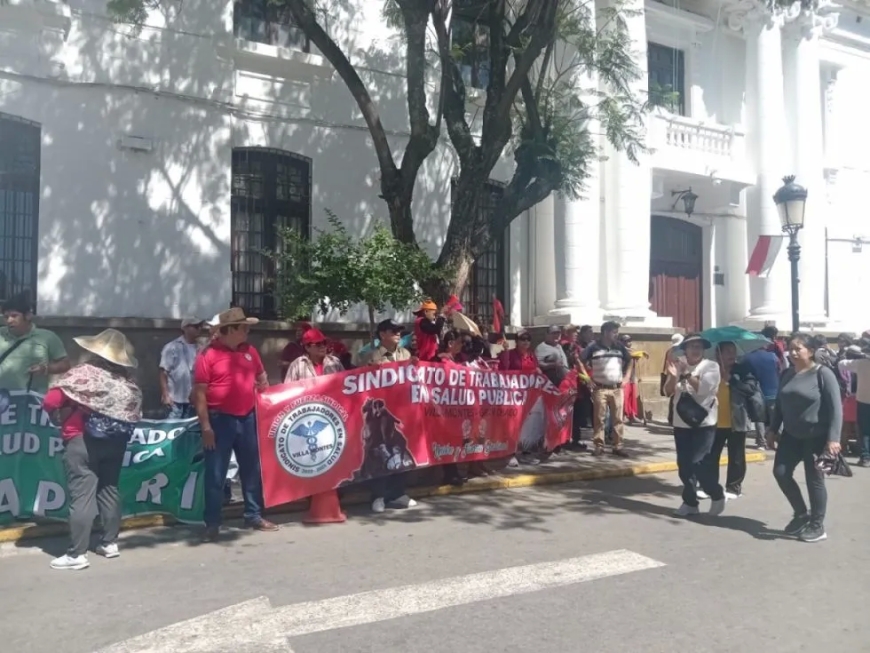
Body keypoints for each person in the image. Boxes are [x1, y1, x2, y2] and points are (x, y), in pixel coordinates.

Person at [41, 329, 142, 570]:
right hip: (116, 443)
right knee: (109, 490)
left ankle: (77, 554)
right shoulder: (128, 383)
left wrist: (60, 415)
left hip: (81, 440)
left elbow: (50, 402)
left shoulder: (83, 374)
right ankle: (109, 543)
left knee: (82, 495)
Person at [194, 307, 279, 541]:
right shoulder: (207, 356)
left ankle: (253, 514)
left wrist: (262, 386)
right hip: (219, 419)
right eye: (243, 327)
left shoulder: (250, 352)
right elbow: (199, 394)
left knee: (251, 469)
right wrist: (206, 427)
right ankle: (212, 522)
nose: (247, 331)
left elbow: (262, 378)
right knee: (216, 473)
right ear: (228, 330)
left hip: (248, 417)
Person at [768, 333, 843, 542]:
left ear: (810, 352)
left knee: (814, 480)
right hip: (791, 435)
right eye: (790, 348)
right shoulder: (787, 374)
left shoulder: (823, 373)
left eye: (798, 348)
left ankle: (818, 525)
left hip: (816, 437)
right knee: (781, 472)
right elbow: (780, 403)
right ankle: (801, 514)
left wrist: (834, 438)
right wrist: (773, 429)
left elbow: (836, 409)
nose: (792, 352)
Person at [663, 333, 726, 517]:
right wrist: (674, 377)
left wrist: (686, 373)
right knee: (684, 465)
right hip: (681, 421)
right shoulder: (677, 363)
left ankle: (716, 493)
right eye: (692, 346)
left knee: (699, 462)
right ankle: (690, 502)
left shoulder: (711, 366)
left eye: (699, 346)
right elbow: (667, 391)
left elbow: (703, 389)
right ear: (685, 349)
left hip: (704, 422)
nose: (695, 350)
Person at [367, 318, 418, 513]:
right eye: (393, 330)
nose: (398, 333)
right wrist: (370, 369)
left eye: (399, 330)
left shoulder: (405, 354)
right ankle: (378, 495)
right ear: (382, 335)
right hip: (380, 417)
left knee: (402, 449)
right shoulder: (372, 355)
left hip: (402, 412)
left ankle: (398, 493)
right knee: (382, 453)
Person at [709, 341, 763, 500]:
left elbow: (750, 389)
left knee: (737, 457)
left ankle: (733, 487)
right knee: (711, 457)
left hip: (737, 420)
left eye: (733, 352)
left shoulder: (743, 370)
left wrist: (731, 379)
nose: (731, 355)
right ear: (718, 354)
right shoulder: (710, 370)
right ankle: (710, 486)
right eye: (727, 352)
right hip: (713, 421)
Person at [0, 292, 70, 392]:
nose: (9, 320)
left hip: (31, 399)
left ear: (28, 316)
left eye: (14, 316)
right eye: (6, 317)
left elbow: (65, 365)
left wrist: (46, 369)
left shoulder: (47, 337)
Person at [581, 321, 631, 457]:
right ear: (605, 332)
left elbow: (630, 360)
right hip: (600, 388)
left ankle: (618, 446)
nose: (616, 335)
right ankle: (599, 445)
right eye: (614, 332)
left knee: (618, 418)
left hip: (616, 388)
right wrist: (586, 378)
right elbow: (580, 360)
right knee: (599, 418)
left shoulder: (620, 346)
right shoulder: (593, 347)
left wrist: (626, 378)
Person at [158, 317, 204, 419]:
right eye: (196, 326)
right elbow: (163, 371)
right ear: (185, 328)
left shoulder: (200, 348)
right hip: (175, 400)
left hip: (193, 400)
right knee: (172, 430)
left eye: (200, 326)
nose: (199, 329)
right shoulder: (172, 347)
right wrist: (165, 394)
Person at [744, 338, 784, 449]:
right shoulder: (772, 356)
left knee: (759, 418)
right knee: (776, 418)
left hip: (757, 391)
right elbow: (780, 369)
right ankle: (780, 441)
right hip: (773, 390)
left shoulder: (747, 358)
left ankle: (761, 442)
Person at [618, 333, 649, 425]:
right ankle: (624, 415)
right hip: (624, 376)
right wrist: (641, 353)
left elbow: (635, 355)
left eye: (629, 340)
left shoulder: (632, 350)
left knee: (632, 397)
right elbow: (631, 355)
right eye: (626, 341)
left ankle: (632, 415)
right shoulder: (621, 350)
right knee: (625, 397)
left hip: (632, 376)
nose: (628, 342)